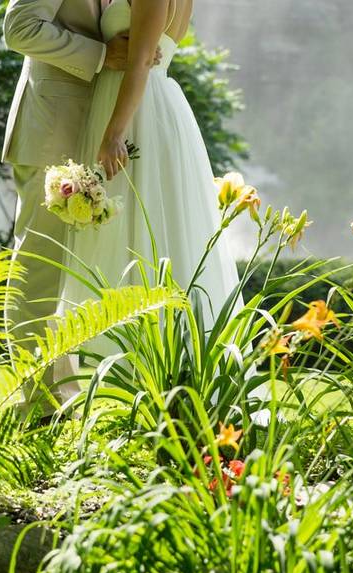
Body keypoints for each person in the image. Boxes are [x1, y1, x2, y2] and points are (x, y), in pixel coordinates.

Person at [59, 0, 241, 336]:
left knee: (146, 226)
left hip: (138, 115)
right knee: (142, 225)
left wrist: (114, 134)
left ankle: (155, 343)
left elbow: (142, 59)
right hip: (143, 103)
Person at [1, 0, 133, 417]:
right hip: (50, 129)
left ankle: (60, 396)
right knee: (39, 267)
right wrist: (101, 55)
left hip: (86, 128)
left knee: (70, 272)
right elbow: (18, 28)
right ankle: (33, 404)